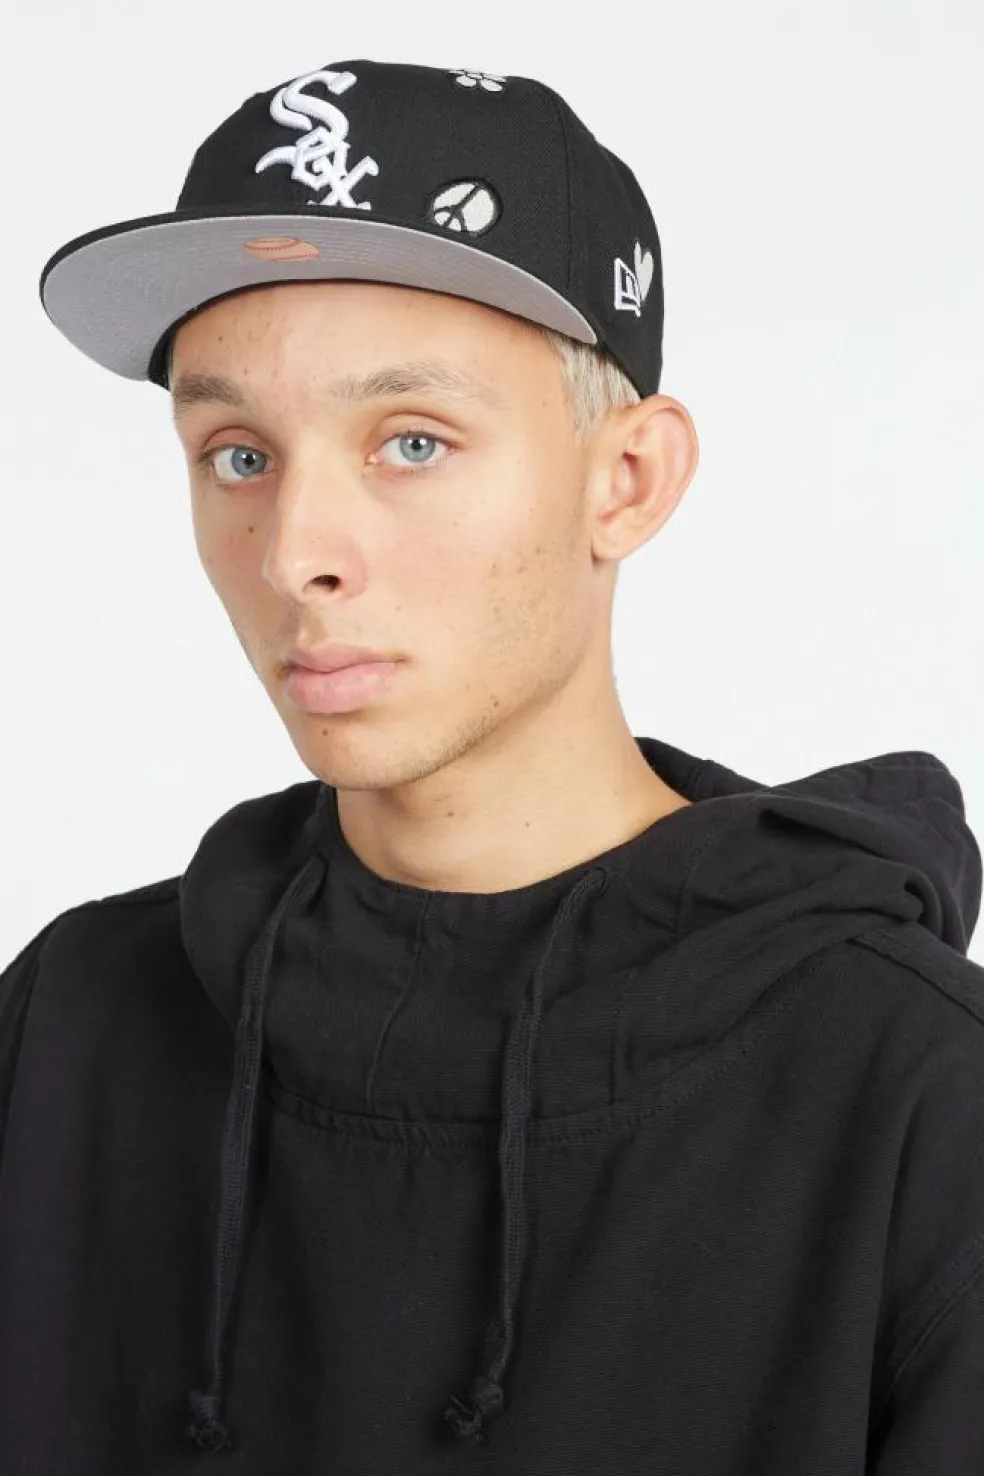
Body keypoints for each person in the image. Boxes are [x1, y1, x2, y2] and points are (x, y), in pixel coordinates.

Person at [3, 55, 982, 1474]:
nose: (294, 553)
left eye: (411, 441)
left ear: (626, 480)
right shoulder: (71, 1025)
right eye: (236, 455)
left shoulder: (921, 1105)